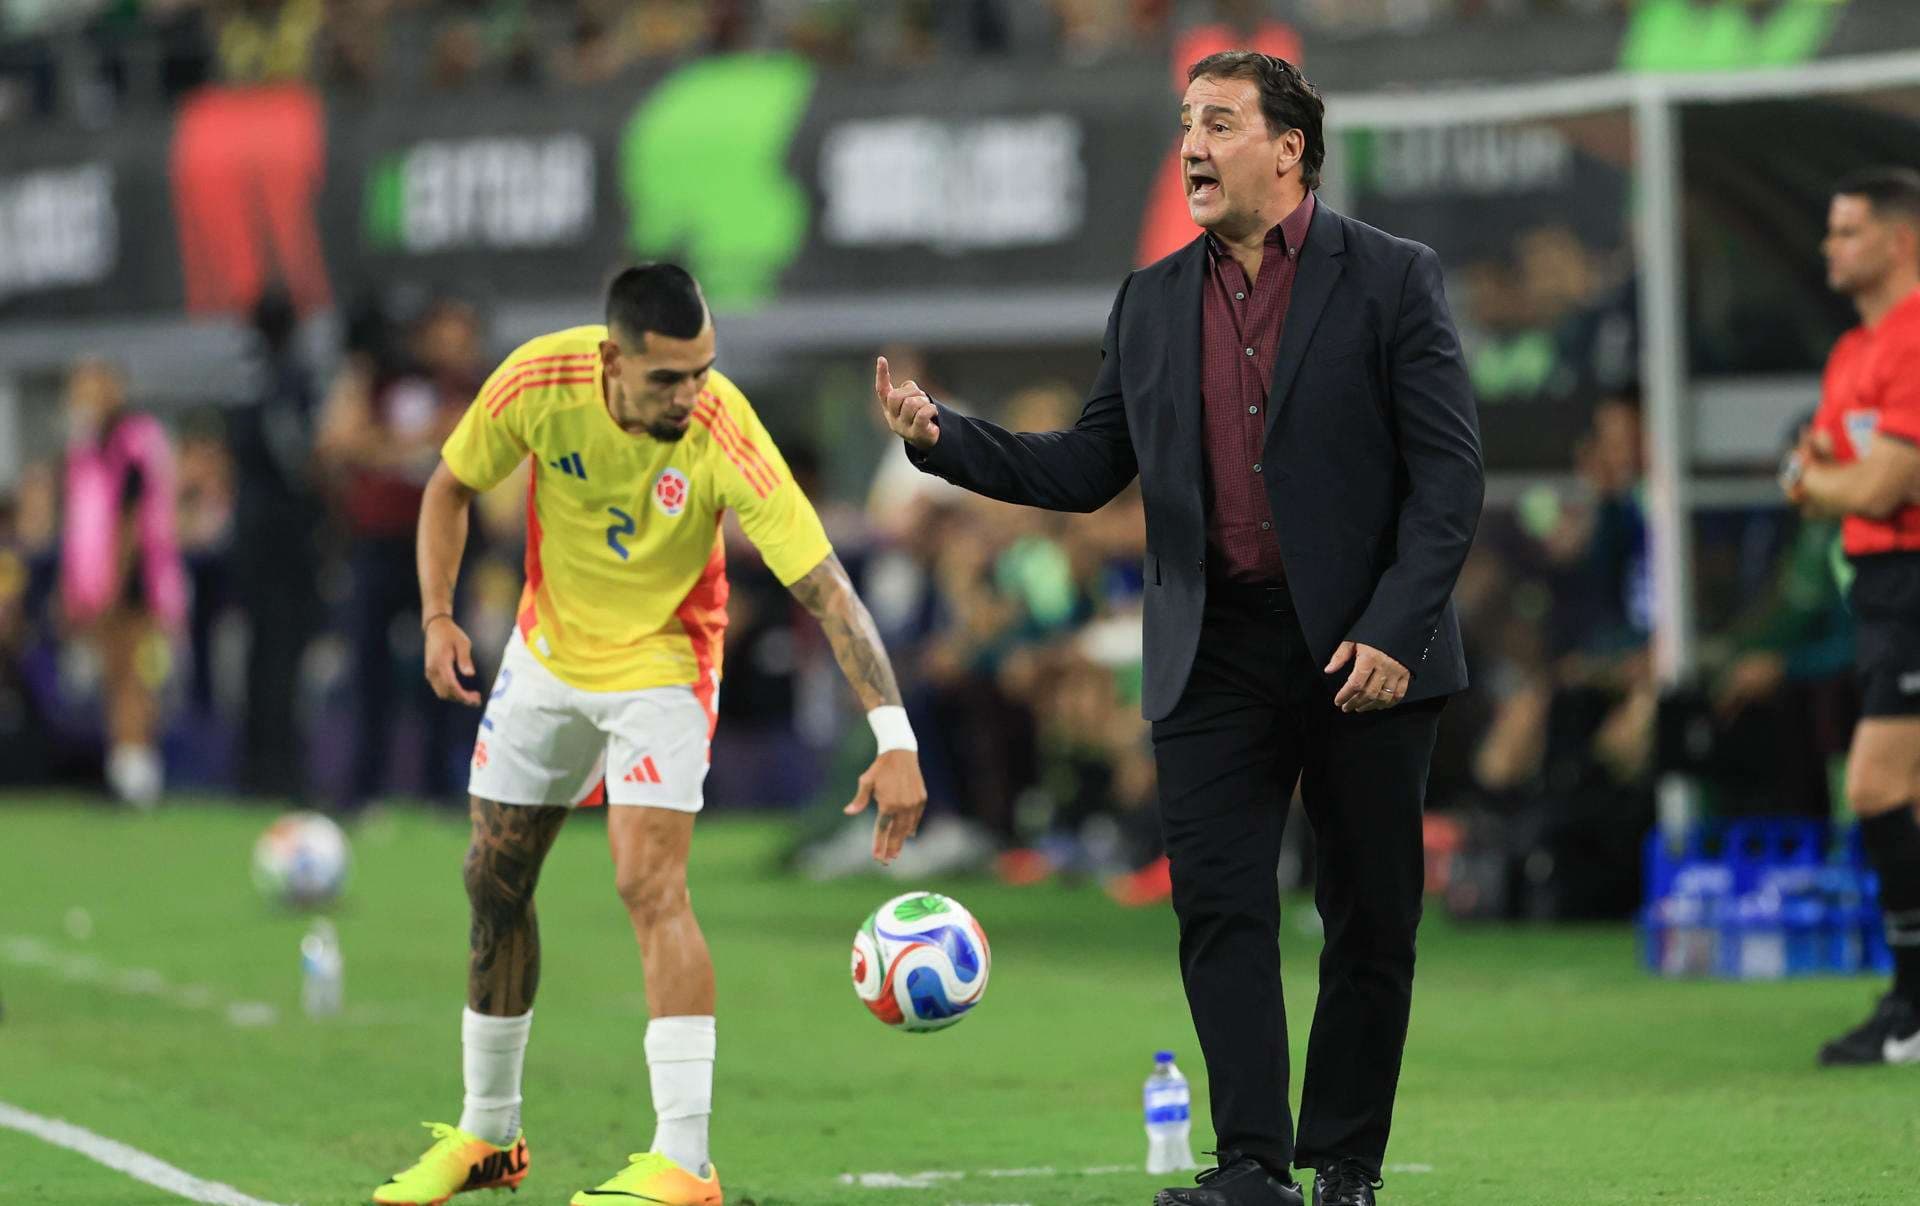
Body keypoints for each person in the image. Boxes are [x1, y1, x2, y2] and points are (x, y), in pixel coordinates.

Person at [881, 51, 1481, 1206]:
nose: (1192, 146)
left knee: (1368, 917)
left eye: (1218, 123)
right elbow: (1086, 467)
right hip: (1214, 643)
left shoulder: (1393, 277)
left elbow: (1450, 481)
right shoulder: (1150, 300)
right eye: (1185, 124)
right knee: (1218, 904)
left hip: (1366, 644)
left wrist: (1396, 630)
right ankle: (1251, 1164)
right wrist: (945, 439)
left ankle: (1346, 1165)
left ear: (1288, 150)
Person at [373, 263, 928, 1206]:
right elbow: (448, 488)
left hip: (666, 662)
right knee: (492, 879)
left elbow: (828, 589)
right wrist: (436, 615)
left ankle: (684, 1161)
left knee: (648, 883)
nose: (690, 394)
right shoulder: (537, 382)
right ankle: (490, 1136)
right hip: (548, 654)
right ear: (612, 360)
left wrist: (894, 734)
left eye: (703, 371)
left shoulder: (723, 428)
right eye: (668, 377)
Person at [1782, 167, 1920, 1067]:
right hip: (1878, 589)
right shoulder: (1851, 353)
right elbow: (1819, 472)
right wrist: (1832, 481)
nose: (1829, 246)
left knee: (1874, 787)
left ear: (1900, 239)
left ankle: (1911, 1006)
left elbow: (1870, 484)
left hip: (1913, 579)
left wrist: (1825, 482)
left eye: (1847, 230)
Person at [59, 360, 189, 807]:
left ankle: (138, 774)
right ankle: (123, 768)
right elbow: (79, 525)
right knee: (113, 678)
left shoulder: (134, 441)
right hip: (96, 585)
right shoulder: (84, 450)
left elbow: (133, 519)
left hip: (136, 583)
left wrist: (115, 579)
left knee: (137, 677)